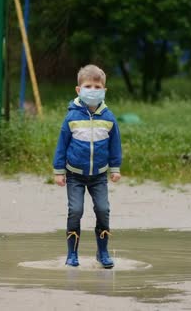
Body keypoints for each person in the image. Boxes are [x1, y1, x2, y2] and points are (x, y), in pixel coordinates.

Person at [53, 64, 122, 269]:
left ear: (104, 90)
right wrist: (59, 171)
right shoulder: (72, 117)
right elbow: (61, 145)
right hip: (74, 175)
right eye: (88, 86)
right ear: (78, 89)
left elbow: (115, 144)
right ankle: (72, 254)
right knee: (75, 210)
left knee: (103, 209)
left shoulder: (108, 118)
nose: (92, 90)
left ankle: (102, 252)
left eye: (97, 86)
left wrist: (115, 168)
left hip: (99, 176)